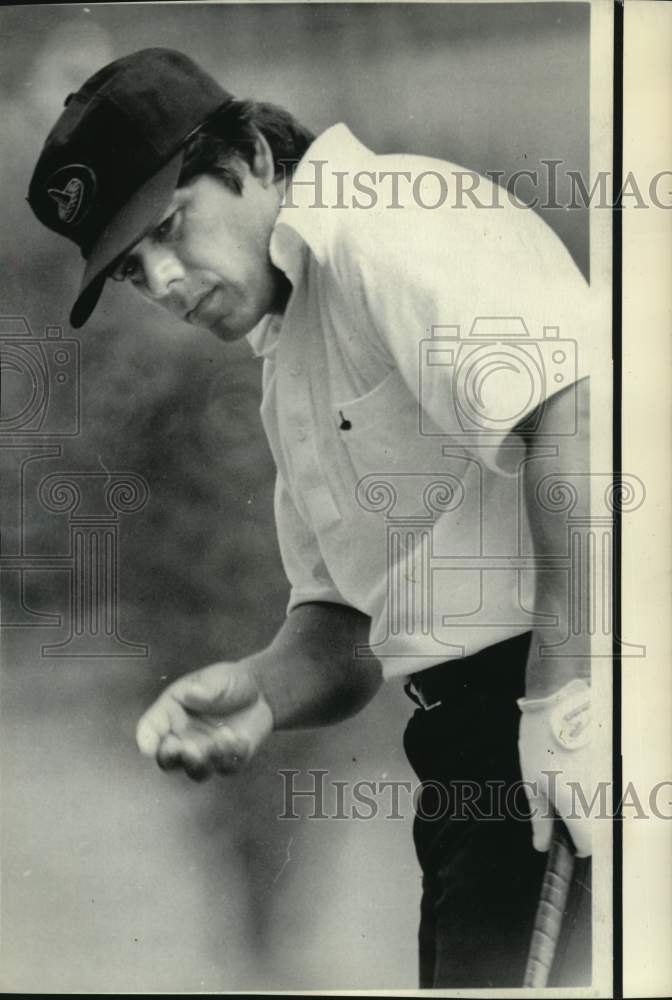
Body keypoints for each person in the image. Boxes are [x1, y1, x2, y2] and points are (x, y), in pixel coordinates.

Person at [28, 48, 597, 988]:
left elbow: (574, 415)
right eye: (134, 271)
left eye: (172, 227)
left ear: (251, 155)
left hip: (568, 715)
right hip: (475, 759)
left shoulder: (384, 226)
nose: (166, 282)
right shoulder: (291, 345)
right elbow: (345, 631)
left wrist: (569, 702)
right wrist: (258, 692)